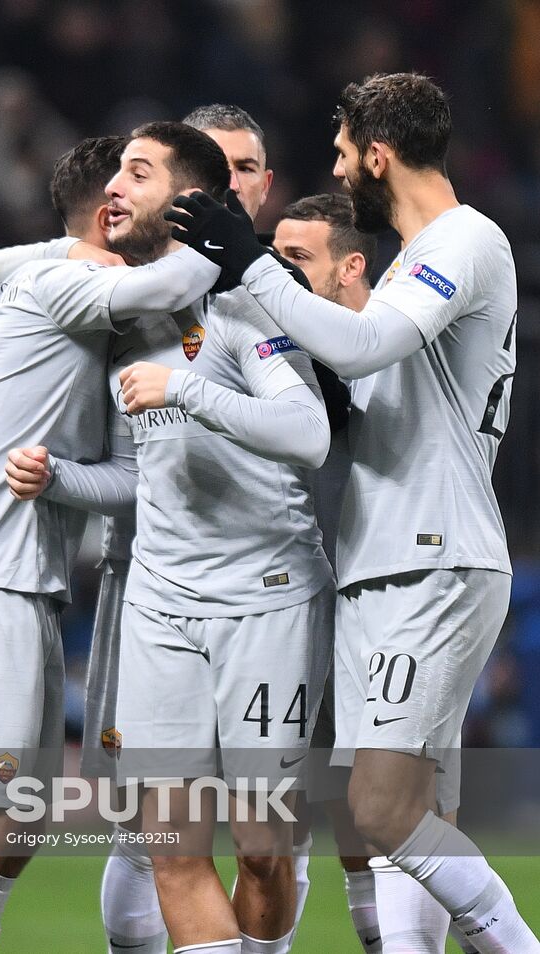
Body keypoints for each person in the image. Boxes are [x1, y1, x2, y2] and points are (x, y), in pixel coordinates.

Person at [171, 72, 538, 954]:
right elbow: (372, 384)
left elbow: (370, 341)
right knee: (400, 813)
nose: (337, 167)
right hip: (389, 556)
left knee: (379, 807)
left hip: (432, 554)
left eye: (343, 151)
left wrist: (254, 264)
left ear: (379, 154)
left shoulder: (464, 237)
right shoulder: (416, 259)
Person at [0, 133, 217, 954]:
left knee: (20, 824)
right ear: (114, 212)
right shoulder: (61, 281)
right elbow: (184, 273)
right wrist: (222, 231)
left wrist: (58, 483)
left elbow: (129, 479)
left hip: (26, 583)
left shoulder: (103, 318)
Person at [272, 192, 384, 952]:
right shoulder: (254, 338)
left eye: (297, 262)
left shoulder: (386, 344)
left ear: (350, 269)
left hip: (372, 599)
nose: (277, 278)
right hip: (274, 600)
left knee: (374, 818)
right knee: (269, 820)